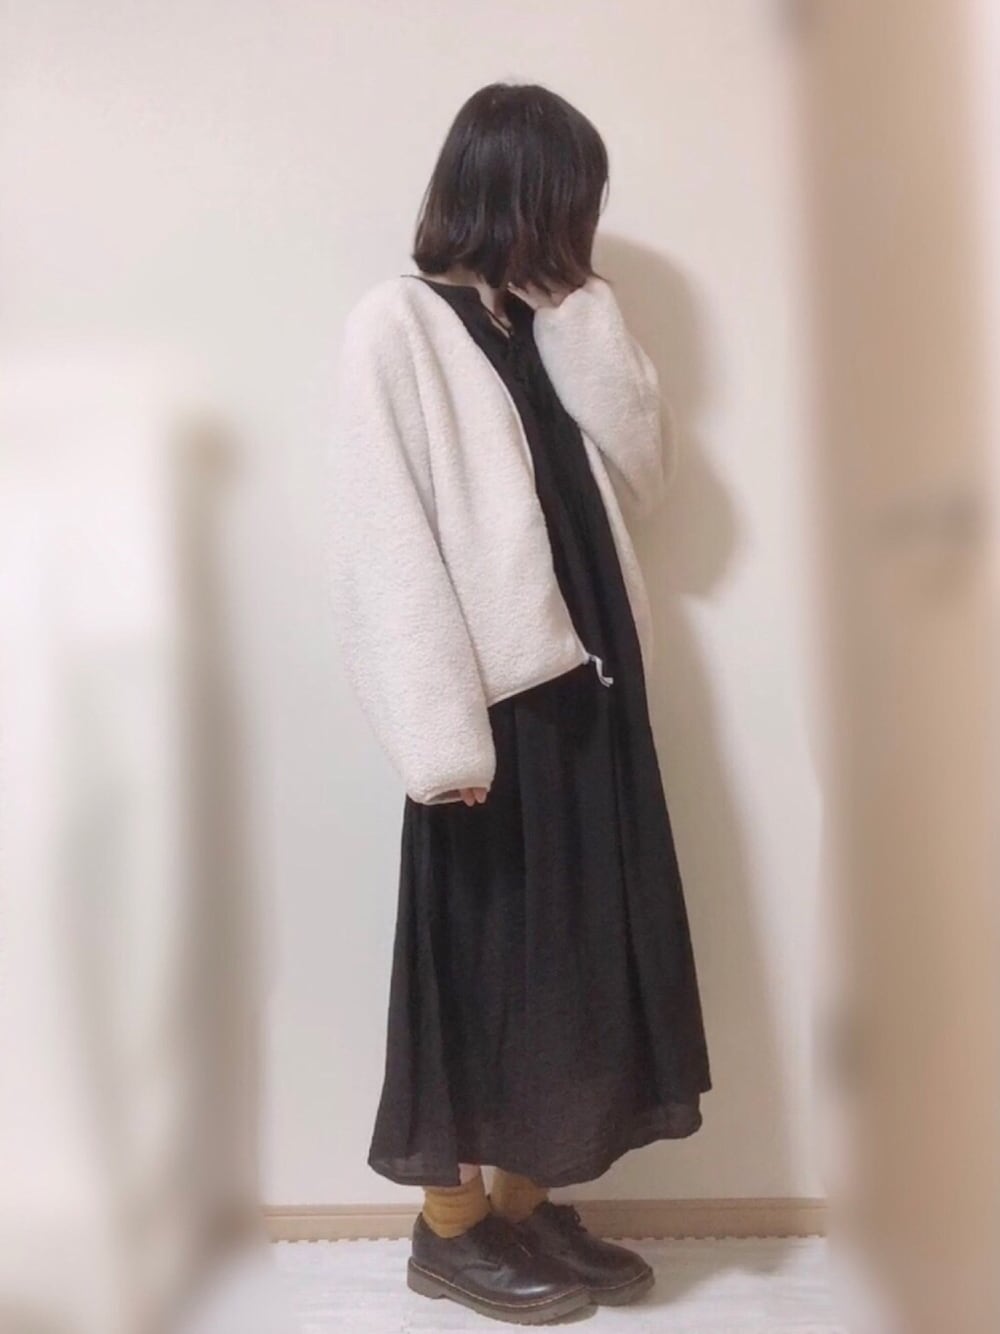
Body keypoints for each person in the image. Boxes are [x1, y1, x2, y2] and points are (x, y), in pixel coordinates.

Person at [330, 81, 711, 1326]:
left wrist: (578, 312)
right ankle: (448, 1227)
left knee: (575, 963)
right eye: (567, 200)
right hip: (489, 711)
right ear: (513, 192)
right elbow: (384, 540)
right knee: (476, 956)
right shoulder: (396, 324)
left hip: (591, 692)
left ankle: (523, 1203)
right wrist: (437, 735)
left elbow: (644, 470)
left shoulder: (550, 323)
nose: (579, 223)